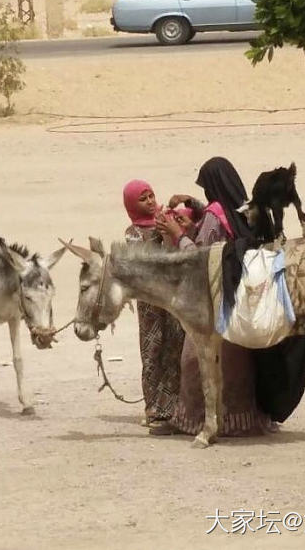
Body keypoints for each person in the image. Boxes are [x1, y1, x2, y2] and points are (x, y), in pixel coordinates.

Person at [156, 157, 274, 436]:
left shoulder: (213, 214)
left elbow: (201, 259)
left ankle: (194, 421)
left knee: (193, 361)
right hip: (241, 301)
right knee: (237, 363)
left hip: (215, 302)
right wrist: (196, 210)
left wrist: (177, 234)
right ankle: (241, 421)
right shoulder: (246, 210)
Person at [123, 179, 185, 435]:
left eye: (151, 196)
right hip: (149, 301)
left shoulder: (167, 218)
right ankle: (153, 407)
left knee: (175, 347)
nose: (149, 201)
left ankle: (172, 405)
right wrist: (162, 233)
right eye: (143, 198)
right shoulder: (133, 232)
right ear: (132, 205)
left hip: (171, 297)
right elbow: (143, 259)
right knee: (152, 351)